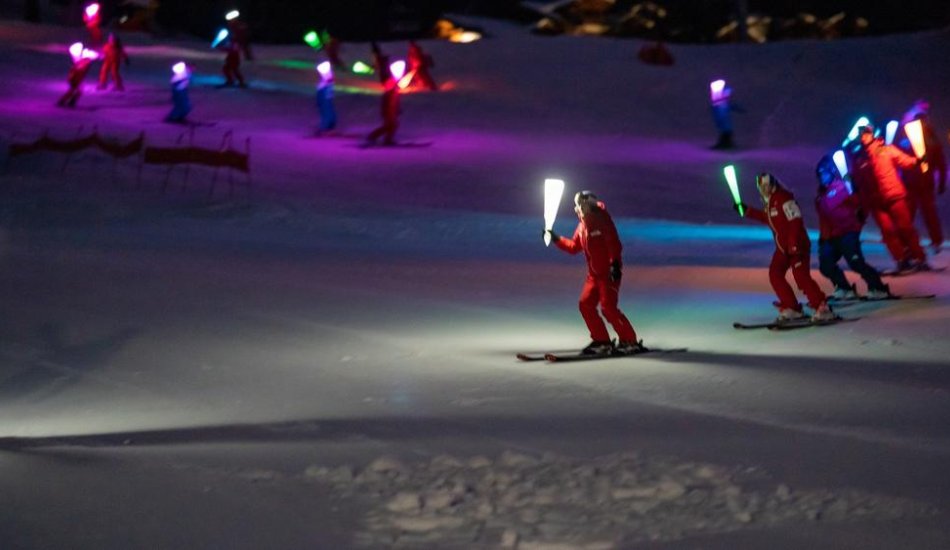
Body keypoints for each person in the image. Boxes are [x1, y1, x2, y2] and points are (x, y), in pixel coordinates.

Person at [544, 191, 643, 355]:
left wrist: (615, 265)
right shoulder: (583, 225)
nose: (575, 208)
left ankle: (629, 340)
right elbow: (574, 247)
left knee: (608, 308)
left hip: (609, 274)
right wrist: (556, 239)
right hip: (594, 275)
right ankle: (601, 340)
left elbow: (614, 244)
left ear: (586, 204)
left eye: (578, 204)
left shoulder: (602, 220)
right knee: (585, 305)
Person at [736, 173, 834, 322]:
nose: (764, 190)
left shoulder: (784, 198)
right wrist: (747, 210)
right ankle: (792, 307)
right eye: (761, 187)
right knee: (775, 274)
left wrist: (794, 244)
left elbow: (795, 220)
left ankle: (822, 307)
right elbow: (767, 218)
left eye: (767, 186)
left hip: (797, 246)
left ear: (773, 185)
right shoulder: (769, 203)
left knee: (801, 277)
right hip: (783, 248)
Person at [851, 124, 929, 271]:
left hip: (894, 195)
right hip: (876, 201)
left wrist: (917, 161)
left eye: (866, 134)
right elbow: (859, 183)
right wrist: (860, 205)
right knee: (887, 232)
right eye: (861, 135)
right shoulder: (860, 158)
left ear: (872, 134)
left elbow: (904, 160)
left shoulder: (886, 149)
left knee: (906, 228)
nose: (863, 137)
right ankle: (901, 260)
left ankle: (920, 258)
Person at [813, 155, 890, 300]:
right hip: (831, 236)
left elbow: (858, 202)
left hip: (848, 232)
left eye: (824, 174)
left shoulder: (843, 187)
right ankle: (844, 288)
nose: (822, 178)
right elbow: (824, 219)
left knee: (856, 262)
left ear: (831, 173)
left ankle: (878, 287)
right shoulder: (820, 196)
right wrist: (823, 239)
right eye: (820, 175)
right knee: (826, 265)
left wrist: (854, 190)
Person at [899, 100, 946, 254]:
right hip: (912, 183)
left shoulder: (932, 141)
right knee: (910, 213)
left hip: (924, 184)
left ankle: (935, 241)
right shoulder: (908, 138)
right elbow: (900, 158)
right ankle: (907, 242)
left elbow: (941, 162)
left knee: (928, 213)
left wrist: (941, 183)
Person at [366, 63, 401, 146]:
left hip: (392, 113)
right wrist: (386, 112)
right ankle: (374, 137)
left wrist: (397, 110)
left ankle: (385, 139)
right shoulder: (389, 93)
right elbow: (386, 104)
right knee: (389, 126)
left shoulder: (394, 92)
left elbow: (395, 103)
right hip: (388, 113)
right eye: (391, 84)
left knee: (392, 126)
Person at [57, 43, 96, 108]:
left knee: (77, 91)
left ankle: (68, 102)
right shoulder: (83, 62)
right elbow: (78, 69)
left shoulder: (84, 61)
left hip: (77, 78)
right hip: (74, 78)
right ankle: (64, 102)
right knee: (76, 90)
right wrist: (73, 75)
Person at [709, 80, 735, 150]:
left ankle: (727, 144)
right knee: (725, 131)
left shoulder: (722, 104)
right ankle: (726, 144)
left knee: (726, 132)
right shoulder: (721, 104)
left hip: (725, 125)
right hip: (724, 125)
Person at [315, 61, 337, 134]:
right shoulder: (326, 67)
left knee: (326, 108)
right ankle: (329, 126)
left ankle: (326, 126)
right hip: (325, 89)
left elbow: (329, 79)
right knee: (327, 107)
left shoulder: (324, 66)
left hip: (324, 90)